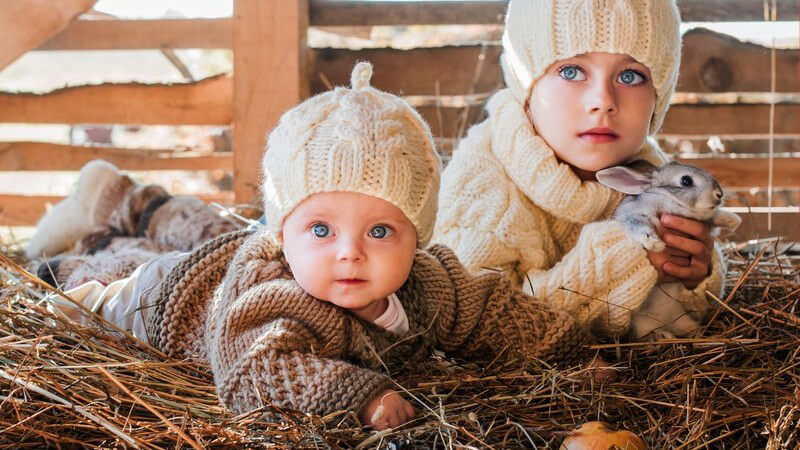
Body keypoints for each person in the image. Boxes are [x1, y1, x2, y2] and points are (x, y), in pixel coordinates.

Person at [40, 62, 596, 430]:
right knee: (115, 277)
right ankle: (74, 253)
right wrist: (363, 397)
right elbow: (257, 373)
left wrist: (572, 352)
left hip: (231, 255)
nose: (349, 253)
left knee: (205, 229)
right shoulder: (279, 300)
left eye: (380, 232)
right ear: (283, 233)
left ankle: (118, 198)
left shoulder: (430, 284)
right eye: (322, 230)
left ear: (417, 236)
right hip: (168, 300)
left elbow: (491, 312)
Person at [433, 0, 727, 338]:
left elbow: (692, 305)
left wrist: (697, 273)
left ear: (658, 98)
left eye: (630, 76)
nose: (602, 100)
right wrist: (625, 261)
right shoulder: (481, 185)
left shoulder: (656, 177)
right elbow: (472, 322)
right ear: (525, 85)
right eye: (571, 71)